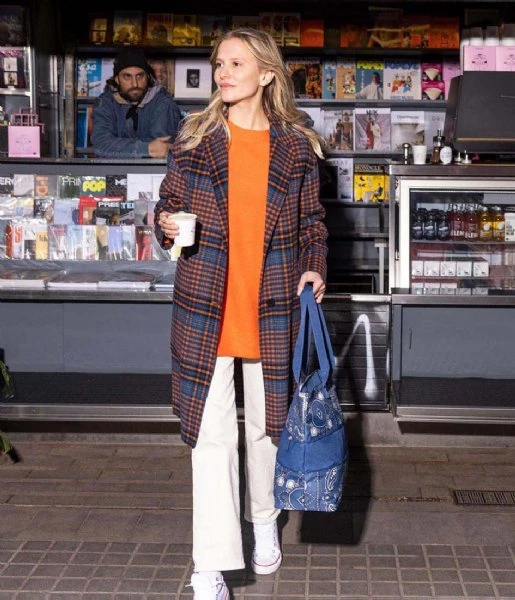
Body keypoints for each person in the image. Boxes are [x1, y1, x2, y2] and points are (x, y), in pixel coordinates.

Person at [154, 27, 328, 600]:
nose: (222, 73)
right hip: (207, 305)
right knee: (211, 438)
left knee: (267, 428)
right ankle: (210, 566)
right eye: (219, 64)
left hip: (273, 303)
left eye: (235, 63)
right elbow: (167, 206)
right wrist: (166, 224)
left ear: (267, 73)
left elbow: (313, 223)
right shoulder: (195, 138)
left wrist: (314, 267)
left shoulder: (296, 146)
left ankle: (263, 518)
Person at [91, 47, 182, 158]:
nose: (135, 84)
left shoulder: (163, 102)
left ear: (147, 77)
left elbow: (161, 149)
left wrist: (117, 146)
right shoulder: (106, 102)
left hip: (152, 169)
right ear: (117, 79)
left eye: (139, 76)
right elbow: (101, 144)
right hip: (111, 169)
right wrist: (146, 148)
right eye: (127, 76)